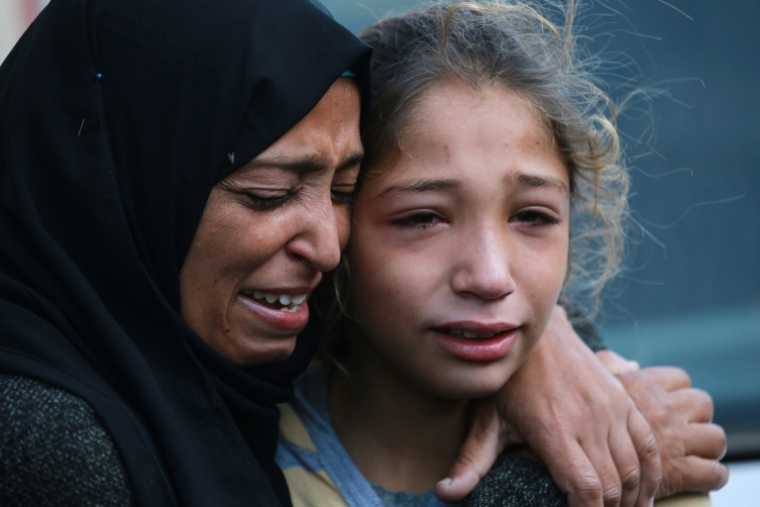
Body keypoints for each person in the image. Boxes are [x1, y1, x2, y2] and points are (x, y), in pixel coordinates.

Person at [0, 0, 724, 505]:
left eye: (343, 189)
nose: (327, 244)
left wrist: (546, 349)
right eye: (266, 193)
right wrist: (552, 476)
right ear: (120, 194)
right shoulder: (49, 444)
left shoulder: (228, 378)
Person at [275, 1, 727, 506]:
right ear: (338, 223)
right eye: (422, 218)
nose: (490, 277)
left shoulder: (636, 447)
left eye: (532, 217)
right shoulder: (235, 451)